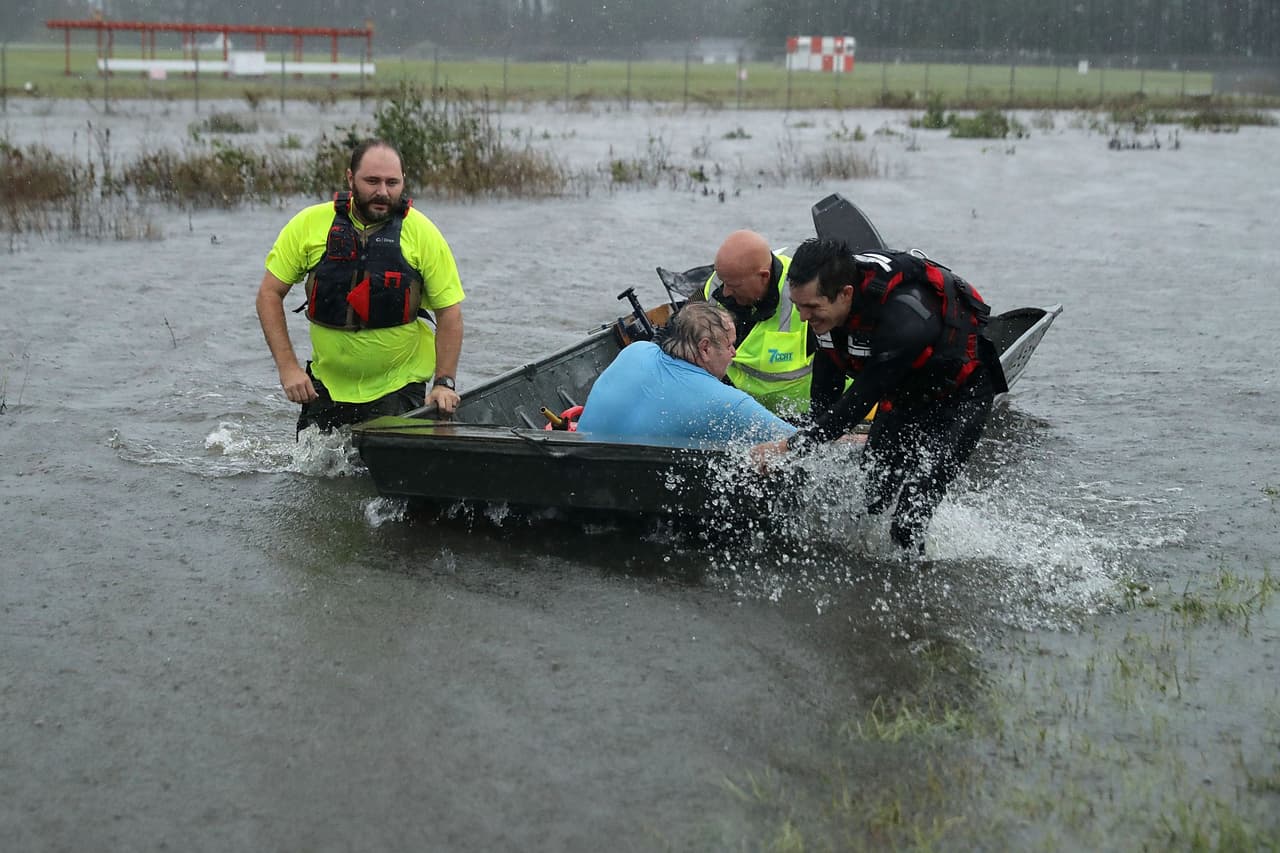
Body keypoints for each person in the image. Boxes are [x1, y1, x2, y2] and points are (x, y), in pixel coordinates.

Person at [752, 238, 1008, 553]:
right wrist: (803, 443)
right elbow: (825, 401)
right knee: (872, 497)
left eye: (812, 308)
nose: (803, 318)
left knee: (909, 517)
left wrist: (789, 447)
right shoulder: (827, 313)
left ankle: (917, 589)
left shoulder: (905, 319)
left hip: (960, 397)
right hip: (905, 393)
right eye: (798, 305)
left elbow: (860, 401)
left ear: (846, 294)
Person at [255, 139, 465, 434]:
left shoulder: (423, 233)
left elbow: (450, 312)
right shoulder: (309, 225)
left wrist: (444, 383)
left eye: (392, 182)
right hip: (324, 387)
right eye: (372, 181)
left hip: (398, 387)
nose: (382, 192)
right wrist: (288, 367)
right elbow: (268, 294)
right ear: (350, 178)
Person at [575, 302, 796, 444]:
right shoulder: (728, 402)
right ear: (705, 348)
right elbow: (801, 444)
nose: (734, 353)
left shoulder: (635, 350)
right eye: (730, 345)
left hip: (576, 474)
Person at [695, 230, 814, 417]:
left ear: (764, 276)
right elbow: (678, 332)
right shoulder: (720, 283)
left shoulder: (807, 296)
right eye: (724, 283)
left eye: (734, 286)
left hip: (803, 415)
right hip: (735, 408)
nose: (725, 292)